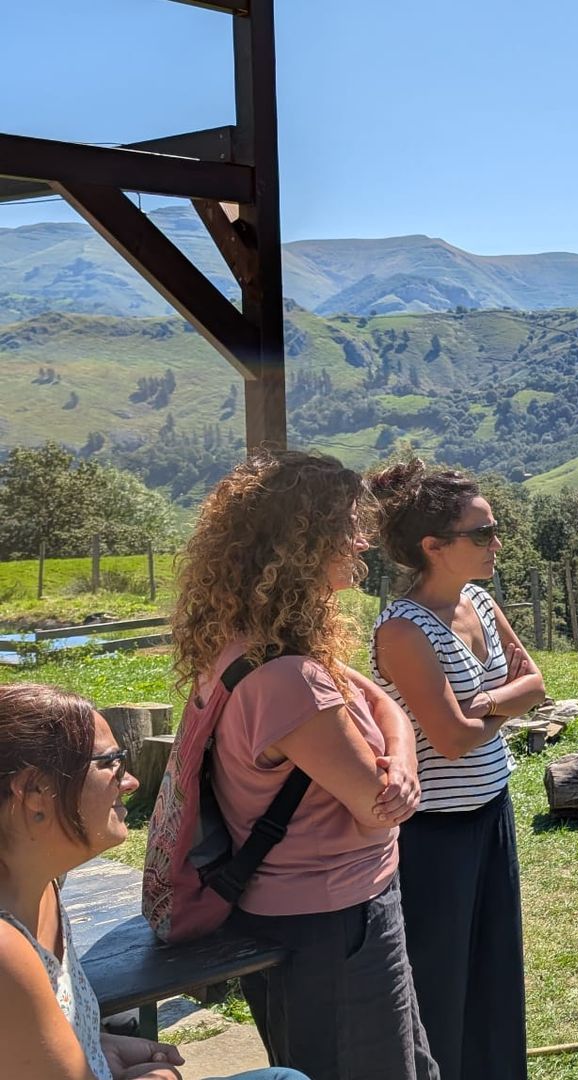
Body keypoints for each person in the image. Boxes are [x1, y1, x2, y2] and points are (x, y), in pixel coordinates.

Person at [170, 450, 436, 1080]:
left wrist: (399, 760)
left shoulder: (249, 647)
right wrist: (397, 781)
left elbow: (379, 701)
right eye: (346, 526)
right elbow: (377, 811)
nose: (361, 540)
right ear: (302, 542)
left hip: (293, 916)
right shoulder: (292, 680)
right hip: (334, 924)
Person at [0, 681, 310, 1080]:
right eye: (110, 763)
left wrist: (98, 1045)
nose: (130, 781)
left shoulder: (43, 883)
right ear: (34, 792)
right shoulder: (7, 953)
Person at [367, 461, 545, 1080]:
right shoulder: (403, 630)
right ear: (433, 546)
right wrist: (500, 706)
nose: (497, 543)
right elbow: (449, 740)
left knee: (496, 973)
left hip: (492, 813)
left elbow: (536, 685)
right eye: (482, 533)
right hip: (434, 834)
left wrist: (483, 705)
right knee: (440, 985)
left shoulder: (479, 601)